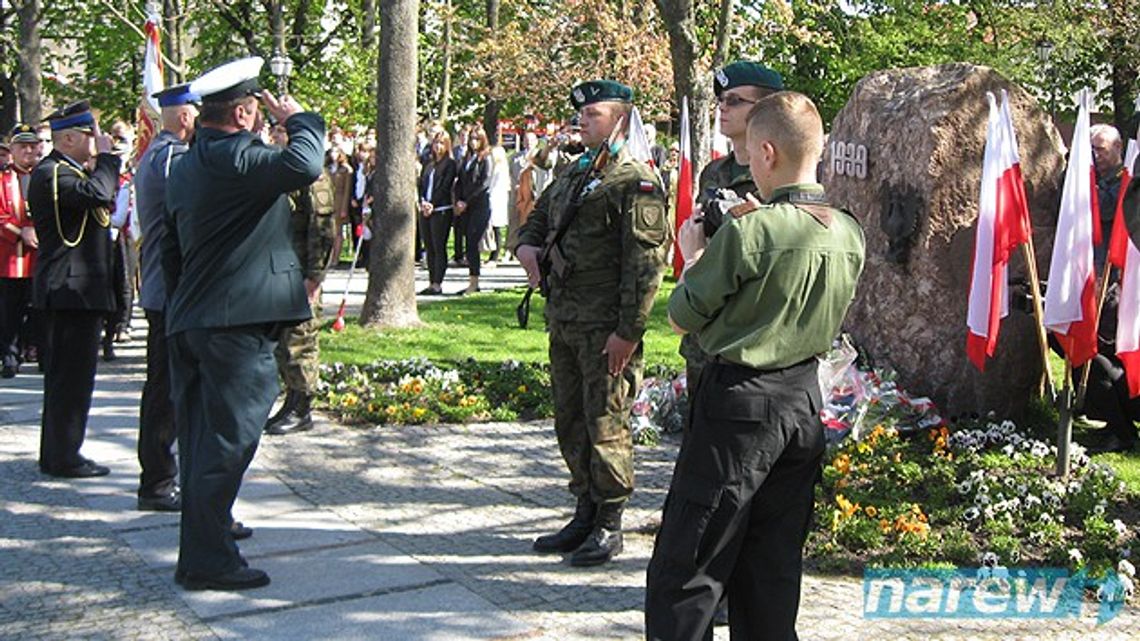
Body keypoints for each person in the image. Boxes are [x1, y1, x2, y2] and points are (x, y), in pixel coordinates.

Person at [646, 92, 864, 641]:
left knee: (690, 562)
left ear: (766, 153)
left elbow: (681, 315)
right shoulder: (847, 230)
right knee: (771, 568)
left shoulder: (750, 231)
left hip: (738, 406)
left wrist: (695, 255)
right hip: (803, 403)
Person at [163, 57, 324, 591]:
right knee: (228, 441)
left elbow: (169, 246)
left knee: (199, 439)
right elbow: (305, 164)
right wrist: (299, 119)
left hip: (193, 318)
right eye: (255, 108)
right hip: (235, 324)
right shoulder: (238, 156)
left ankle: (205, 537)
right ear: (242, 112)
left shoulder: (187, 163)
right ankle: (207, 560)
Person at [515, 80, 670, 567]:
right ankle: (584, 509)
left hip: (606, 327)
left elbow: (645, 266)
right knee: (571, 419)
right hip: (565, 318)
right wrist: (526, 246)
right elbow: (540, 215)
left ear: (620, 120)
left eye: (593, 114)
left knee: (606, 422)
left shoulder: (635, 182)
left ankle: (609, 521)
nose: (582, 120)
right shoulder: (576, 170)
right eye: (581, 114)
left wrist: (628, 332)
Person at [678, 61, 785, 420]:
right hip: (704, 324)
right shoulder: (715, 172)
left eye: (735, 101)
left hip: (748, 332)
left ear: (765, 109)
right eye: (721, 100)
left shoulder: (779, 174)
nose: (723, 108)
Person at [27, 101, 120, 478]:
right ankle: (64, 456)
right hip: (68, 290)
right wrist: (109, 160)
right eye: (89, 135)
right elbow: (98, 194)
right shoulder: (53, 173)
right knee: (70, 380)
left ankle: (59, 452)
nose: (96, 141)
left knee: (71, 379)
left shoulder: (69, 171)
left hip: (78, 290)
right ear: (68, 139)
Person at [133, 83, 200, 512]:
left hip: (164, 288)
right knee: (166, 391)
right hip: (168, 290)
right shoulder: (172, 156)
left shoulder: (157, 152)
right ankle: (157, 482)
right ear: (185, 116)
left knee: (166, 388)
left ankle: (160, 478)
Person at [263, 125, 338, 436]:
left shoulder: (313, 175)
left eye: (280, 131)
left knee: (301, 339)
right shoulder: (289, 169)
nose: (274, 136)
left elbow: (323, 228)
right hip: (284, 266)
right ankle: (291, 400)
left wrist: (315, 276)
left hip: (303, 270)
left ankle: (302, 407)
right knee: (285, 342)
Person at [0, 124, 41, 378]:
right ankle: (10, 357)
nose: (27, 151)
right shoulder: (2, 180)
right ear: (12, 150)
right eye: (22, 146)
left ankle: (41, 354)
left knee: (40, 310)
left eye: (31, 146)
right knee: (9, 312)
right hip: (10, 258)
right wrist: (21, 232)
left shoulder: (46, 176)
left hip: (41, 256)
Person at [418, 132, 458, 295]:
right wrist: (423, 201)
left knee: (438, 245)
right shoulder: (429, 164)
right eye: (435, 143)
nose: (438, 146)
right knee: (429, 247)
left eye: (441, 143)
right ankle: (431, 281)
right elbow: (421, 184)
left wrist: (433, 203)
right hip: (425, 209)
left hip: (441, 209)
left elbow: (445, 186)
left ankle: (437, 283)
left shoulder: (450, 164)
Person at [455, 127, 493, 294]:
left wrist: (467, 201)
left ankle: (474, 281)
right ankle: (472, 281)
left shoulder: (486, 158)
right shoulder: (467, 158)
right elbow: (460, 181)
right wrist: (458, 200)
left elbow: (484, 183)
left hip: (479, 206)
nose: (473, 142)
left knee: (472, 242)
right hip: (465, 207)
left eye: (477, 139)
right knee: (468, 243)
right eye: (471, 138)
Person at [1091, 123, 1125, 271]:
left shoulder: (1126, 180)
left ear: (1118, 146)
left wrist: (1090, 185)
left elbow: (1107, 210)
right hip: (1082, 258)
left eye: (1101, 149)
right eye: (1092, 150)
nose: (1096, 156)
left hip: (1110, 263)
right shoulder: (1089, 175)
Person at [487, 142, 511, 264]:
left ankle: (495, 256)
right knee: (493, 227)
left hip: (497, 198)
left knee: (496, 228)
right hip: (494, 197)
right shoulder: (495, 167)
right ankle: (492, 254)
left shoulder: (500, 169)